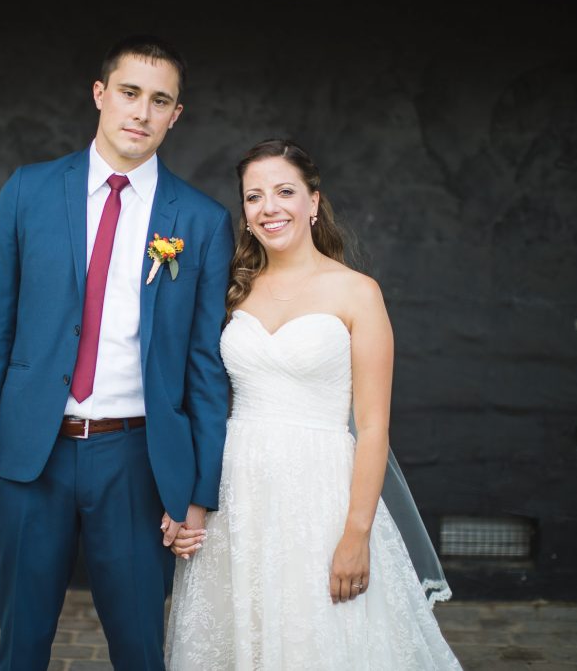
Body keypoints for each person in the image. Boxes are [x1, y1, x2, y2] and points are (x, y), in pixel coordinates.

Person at [0, 36, 234, 671]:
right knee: (20, 645)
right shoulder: (29, 191)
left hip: (137, 462)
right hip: (28, 458)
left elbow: (205, 368)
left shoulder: (201, 221)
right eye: (129, 93)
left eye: (160, 101)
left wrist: (199, 491)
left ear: (175, 115)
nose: (141, 112)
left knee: (139, 649)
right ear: (99, 95)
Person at [164, 139, 462, 670]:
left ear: (313, 201)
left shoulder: (356, 292)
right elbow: (203, 399)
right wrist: (194, 497)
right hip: (239, 489)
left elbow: (372, 428)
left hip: (320, 494)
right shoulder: (233, 291)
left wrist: (355, 534)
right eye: (254, 197)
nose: (269, 207)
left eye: (284, 191)